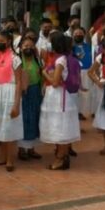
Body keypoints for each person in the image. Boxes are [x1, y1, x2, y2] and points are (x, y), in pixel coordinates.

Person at [40, 31, 81, 170]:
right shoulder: (60, 58)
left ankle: (60, 158)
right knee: (57, 126)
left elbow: (56, 81)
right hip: (56, 97)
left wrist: (45, 73)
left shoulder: (60, 60)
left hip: (59, 97)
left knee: (60, 128)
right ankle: (61, 155)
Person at [0, 30, 23, 172]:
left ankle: (10, 159)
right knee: (0, 126)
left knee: (8, 127)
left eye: (1, 41)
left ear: (9, 41)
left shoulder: (16, 59)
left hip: (10, 92)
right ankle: (2, 157)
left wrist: (16, 104)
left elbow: (20, 82)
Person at [18, 36, 43, 161]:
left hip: (35, 91)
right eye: (25, 46)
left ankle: (32, 148)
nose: (28, 48)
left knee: (34, 118)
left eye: (31, 46)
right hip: (22, 92)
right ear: (20, 48)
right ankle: (21, 149)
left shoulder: (38, 60)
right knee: (24, 119)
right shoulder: (18, 60)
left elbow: (42, 75)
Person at [72, 27, 94, 119]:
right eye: (76, 33)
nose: (78, 35)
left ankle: (83, 111)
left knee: (85, 93)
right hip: (75, 72)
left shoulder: (89, 46)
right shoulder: (71, 47)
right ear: (73, 35)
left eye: (80, 33)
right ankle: (76, 112)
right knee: (75, 93)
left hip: (86, 71)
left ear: (84, 35)